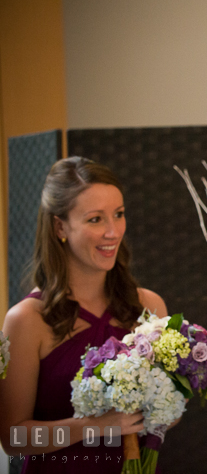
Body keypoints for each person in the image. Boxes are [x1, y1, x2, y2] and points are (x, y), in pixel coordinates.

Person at [0, 157, 168, 473]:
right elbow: (13, 438)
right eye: (95, 219)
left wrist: (166, 407)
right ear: (59, 226)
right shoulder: (25, 320)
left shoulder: (150, 307)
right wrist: (96, 426)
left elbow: (165, 421)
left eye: (118, 215)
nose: (112, 231)